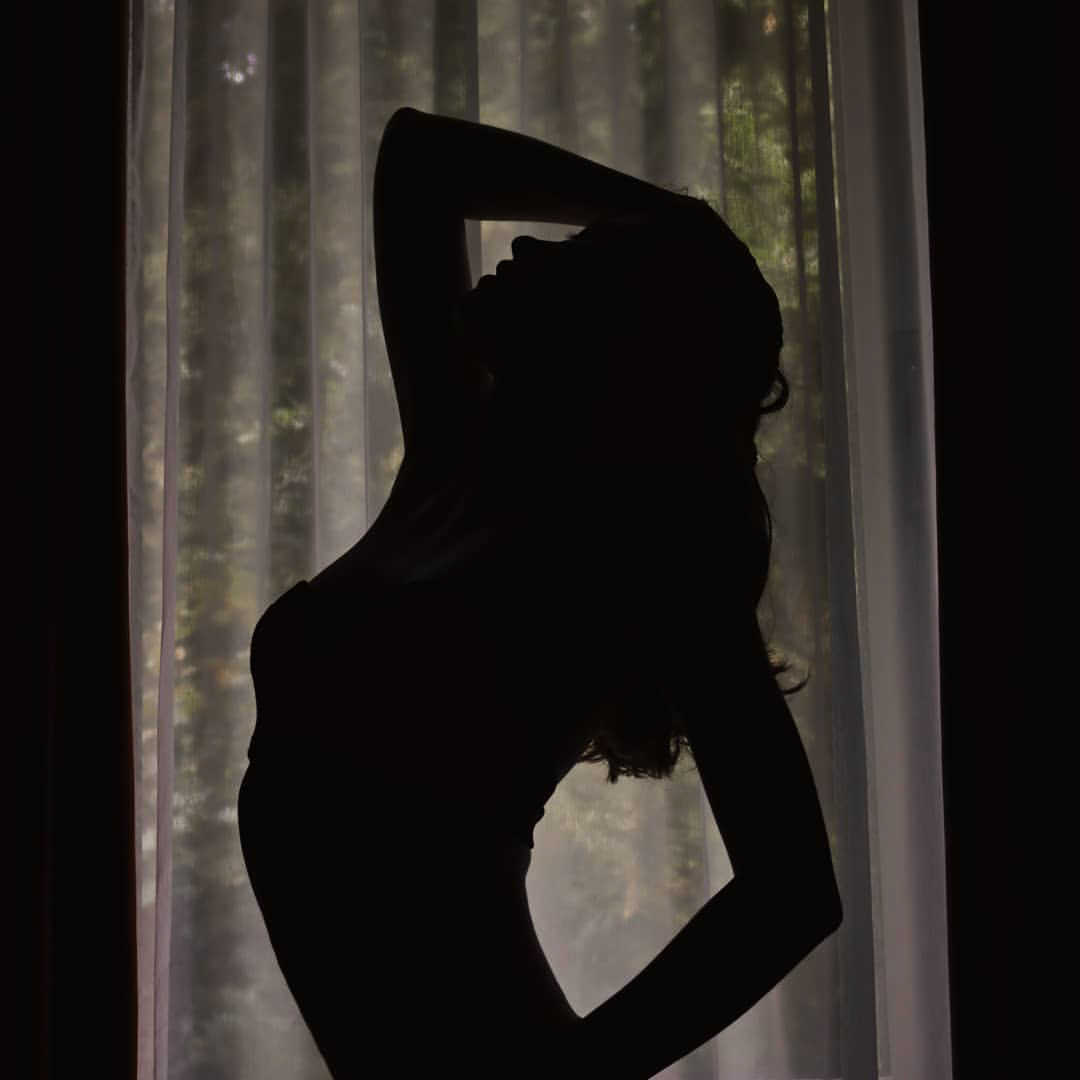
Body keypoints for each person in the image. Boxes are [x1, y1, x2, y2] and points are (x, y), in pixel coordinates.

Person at [237, 106, 843, 1079]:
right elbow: (419, 157)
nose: (523, 242)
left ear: (624, 334)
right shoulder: (450, 457)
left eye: (582, 253)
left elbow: (796, 891)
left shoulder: (639, 549)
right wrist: (672, 215)